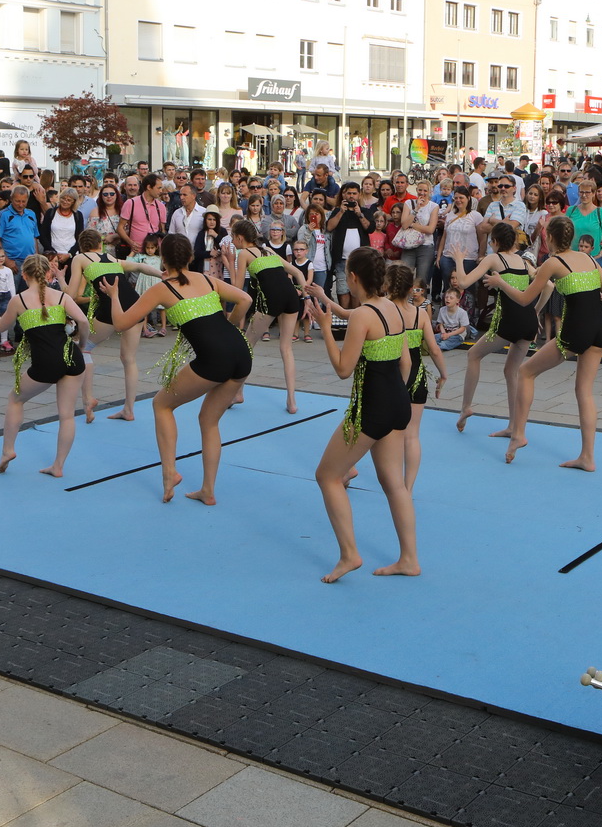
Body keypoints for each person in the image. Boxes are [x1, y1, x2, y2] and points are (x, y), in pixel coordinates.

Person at [101, 235, 253, 502]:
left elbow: (121, 323)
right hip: (241, 353)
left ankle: (170, 473)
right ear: (190, 258)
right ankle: (208, 491)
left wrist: (114, 296)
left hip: (215, 359)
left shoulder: (163, 288)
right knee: (209, 420)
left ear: (163, 259)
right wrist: (231, 325)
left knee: (161, 405)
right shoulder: (206, 279)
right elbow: (245, 299)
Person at [301, 248, 417, 582]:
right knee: (394, 484)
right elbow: (405, 363)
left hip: (372, 408)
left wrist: (324, 327)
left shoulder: (364, 316)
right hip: (398, 403)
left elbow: (343, 369)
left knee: (327, 476)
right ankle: (409, 558)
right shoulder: (394, 309)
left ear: (353, 277)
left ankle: (350, 554)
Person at [485, 214, 602, 469]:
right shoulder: (588, 258)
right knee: (584, 391)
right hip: (598, 330)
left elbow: (523, 299)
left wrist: (500, 282)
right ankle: (588, 457)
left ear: (549, 237)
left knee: (526, 372)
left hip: (575, 331)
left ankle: (518, 433)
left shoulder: (553, 262)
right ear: (571, 237)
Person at [0, 254, 90, 478]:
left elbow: (0, 325)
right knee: (66, 415)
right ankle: (58, 466)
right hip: (72, 358)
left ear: (25, 275)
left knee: (15, 399)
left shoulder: (19, 300)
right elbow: (84, 322)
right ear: (49, 274)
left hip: (46, 363)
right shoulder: (61, 297)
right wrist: (83, 345)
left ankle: (8, 450)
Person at [66, 229, 157, 424]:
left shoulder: (80, 258)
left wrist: (59, 279)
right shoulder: (110, 257)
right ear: (99, 245)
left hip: (112, 307)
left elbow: (71, 294)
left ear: (82, 246)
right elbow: (140, 267)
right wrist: (163, 274)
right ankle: (128, 409)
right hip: (134, 304)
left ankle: (88, 398)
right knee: (129, 359)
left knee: (84, 348)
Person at [452, 222, 534, 434]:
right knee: (511, 371)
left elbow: (462, 282)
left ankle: (466, 406)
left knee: (473, 355)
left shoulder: (494, 258)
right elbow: (549, 286)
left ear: (495, 242)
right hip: (528, 321)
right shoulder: (523, 262)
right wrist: (537, 312)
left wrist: (459, 260)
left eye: (491, 241)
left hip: (509, 322)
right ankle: (514, 426)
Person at [228, 219, 307, 414]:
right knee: (286, 348)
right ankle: (292, 401)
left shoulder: (244, 253)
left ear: (239, 238)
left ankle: (237, 393)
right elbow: (297, 272)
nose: (232, 242)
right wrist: (306, 297)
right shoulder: (268, 250)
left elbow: (237, 290)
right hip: (290, 296)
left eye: (232, 238)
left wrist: (229, 262)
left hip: (272, 299)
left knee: (247, 346)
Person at [389, 263, 447, 492]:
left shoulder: (384, 310)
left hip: (392, 373)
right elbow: (434, 349)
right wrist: (443, 374)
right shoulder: (419, 314)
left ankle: (348, 467)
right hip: (416, 375)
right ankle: (408, 487)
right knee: (411, 436)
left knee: (376, 429)